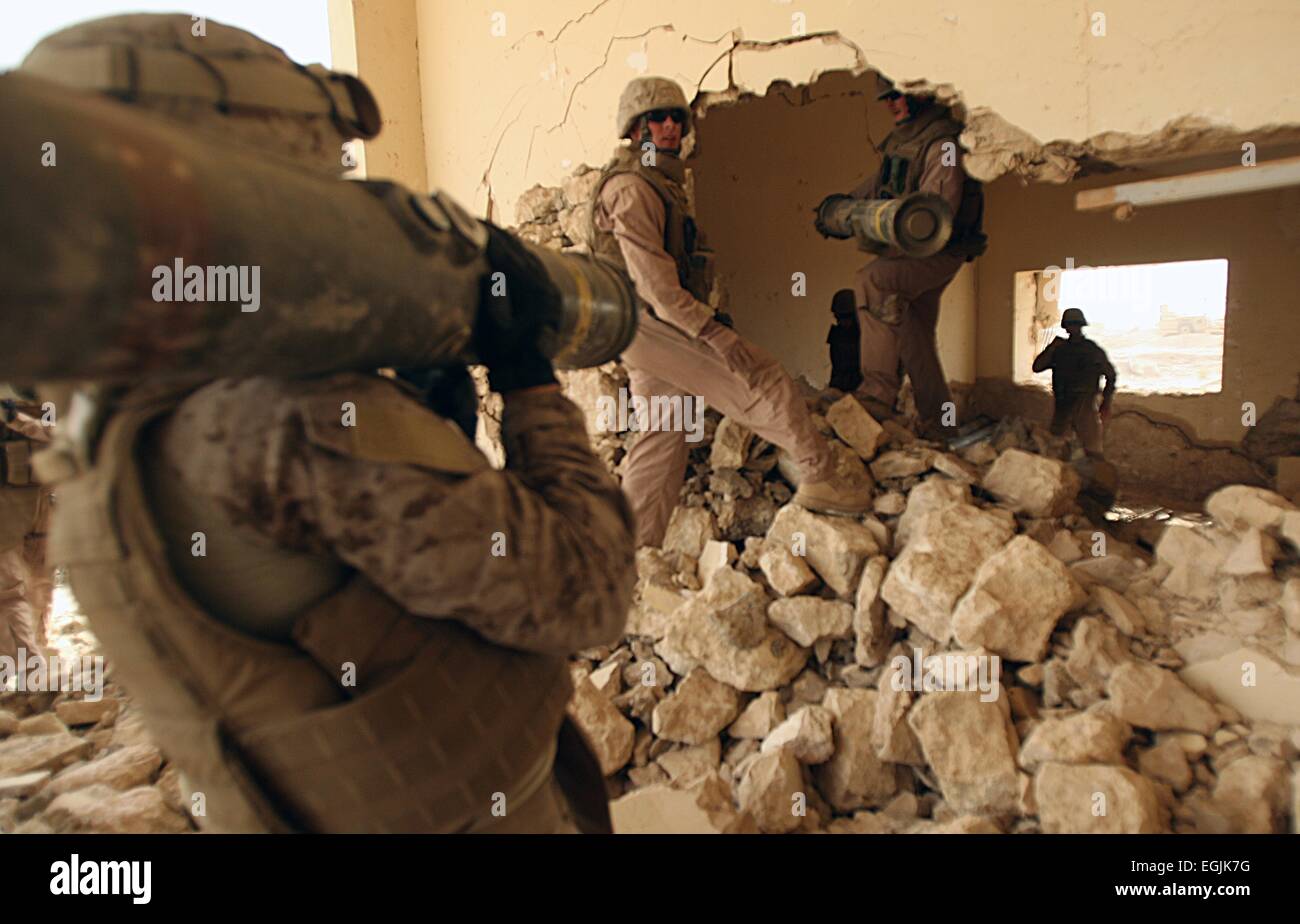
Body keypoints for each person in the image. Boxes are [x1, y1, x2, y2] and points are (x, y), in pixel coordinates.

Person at [23, 14, 636, 834]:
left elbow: (334, 602)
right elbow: (588, 590)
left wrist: (425, 425)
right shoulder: (269, 419)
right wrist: (528, 382)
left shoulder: (108, 421)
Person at [589, 76, 872, 547]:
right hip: (649, 323)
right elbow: (658, 290)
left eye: (677, 118)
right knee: (758, 374)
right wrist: (716, 335)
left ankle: (631, 555)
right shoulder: (633, 190)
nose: (670, 127)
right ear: (635, 130)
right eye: (657, 119)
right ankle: (818, 474)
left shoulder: (658, 183)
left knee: (663, 433)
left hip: (639, 328)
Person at [844, 83, 987, 436]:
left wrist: (880, 221)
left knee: (873, 280)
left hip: (938, 251)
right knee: (914, 330)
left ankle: (877, 394)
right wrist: (841, 207)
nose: (891, 104)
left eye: (897, 95)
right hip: (918, 253)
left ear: (920, 93)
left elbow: (937, 212)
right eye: (887, 98)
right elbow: (878, 184)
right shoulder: (904, 141)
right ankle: (940, 421)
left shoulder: (944, 144)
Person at [0, 388, 53, 665]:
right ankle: (27, 665)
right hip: (8, 503)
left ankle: (35, 656)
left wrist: (16, 418)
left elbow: (59, 431)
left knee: (39, 579)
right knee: (9, 589)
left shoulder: (53, 394)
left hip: (43, 500)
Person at [1032, 307, 1117, 459]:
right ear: (1065, 327)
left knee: (1093, 453)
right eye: (1070, 325)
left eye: (1075, 325)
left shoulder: (1091, 350)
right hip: (1063, 406)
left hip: (1085, 405)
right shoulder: (1060, 349)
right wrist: (1051, 348)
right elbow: (1037, 367)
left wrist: (1106, 402)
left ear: (1080, 326)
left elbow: (1111, 376)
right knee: (1057, 451)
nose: (1072, 328)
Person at [826, 289, 863, 392]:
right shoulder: (837, 334)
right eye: (840, 317)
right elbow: (836, 368)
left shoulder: (865, 334)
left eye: (847, 317)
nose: (844, 322)